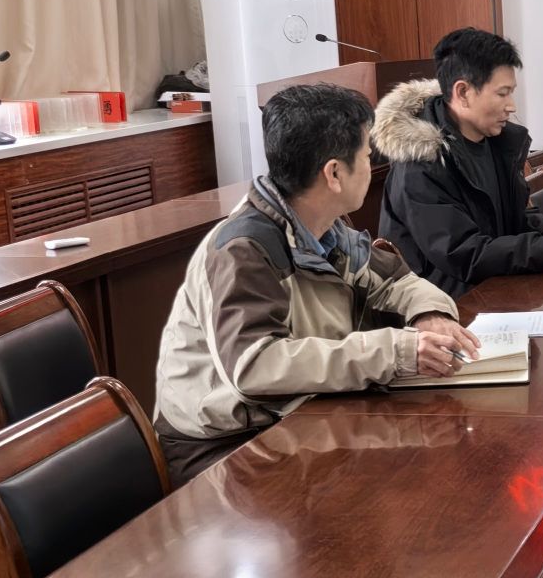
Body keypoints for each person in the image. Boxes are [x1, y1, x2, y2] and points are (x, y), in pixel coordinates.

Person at [153, 83, 479, 485]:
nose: (371, 165)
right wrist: (393, 351)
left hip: (297, 416)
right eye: (366, 156)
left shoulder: (326, 228)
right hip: (224, 447)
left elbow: (396, 279)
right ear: (335, 173)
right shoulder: (243, 249)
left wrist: (428, 313)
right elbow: (255, 367)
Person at [375, 27, 543, 298]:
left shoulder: (494, 142)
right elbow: (465, 254)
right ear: (463, 92)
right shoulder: (420, 164)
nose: (512, 106)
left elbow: (512, 215)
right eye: (502, 94)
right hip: (445, 305)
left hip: (494, 287)